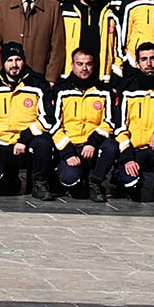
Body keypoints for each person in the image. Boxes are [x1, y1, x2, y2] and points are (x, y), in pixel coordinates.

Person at [112, 42, 154, 203]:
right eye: (144, 59)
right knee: (131, 184)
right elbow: (120, 128)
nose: (148, 64)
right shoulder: (127, 90)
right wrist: (128, 157)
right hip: (133, 151)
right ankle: (123, 177)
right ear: (137, 63)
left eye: (152, 59)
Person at [0, 43, 49, 196]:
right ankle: (9, 177)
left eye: (18, 60)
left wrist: (24, 139)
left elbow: (47, 118)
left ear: (24, 61)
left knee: (44, 144)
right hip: (1, 142)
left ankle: (38, 183)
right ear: (3, 63)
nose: (14, 64)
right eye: (9, 60)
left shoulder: (37, 84)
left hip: (28, 142)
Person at [46, 46, 114, 199]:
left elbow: (109, 122)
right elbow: (54, 124)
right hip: (70, 145)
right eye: (80, 64)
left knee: (111, 146)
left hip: (93, 146)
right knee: (69, 178)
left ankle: (95, 183)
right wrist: (67, 152)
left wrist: (93, 142)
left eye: (88, 64)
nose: (84, 68)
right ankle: (69, 177)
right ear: (72, 65)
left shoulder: (104, 91)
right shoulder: (60, 90)